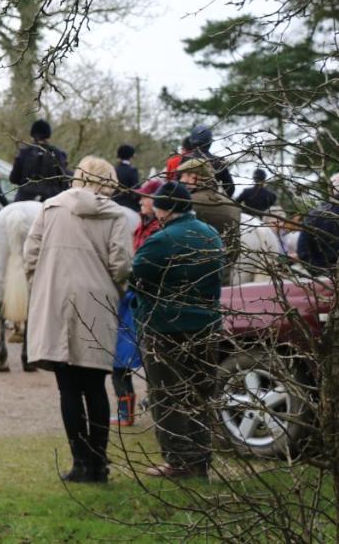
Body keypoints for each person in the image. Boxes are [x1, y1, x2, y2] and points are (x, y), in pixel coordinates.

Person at [24, 155, 137, 484]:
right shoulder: (115, 215)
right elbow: (122, 265)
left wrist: (44, 284)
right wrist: (115, 287)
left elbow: (30, 256)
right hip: (97, 302)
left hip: (56, 299)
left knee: (68, 389)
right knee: (96, 387)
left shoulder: (50, 208)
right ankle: (99, 463)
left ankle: (80, 463)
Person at [130, 181, 224, 479]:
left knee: (166, 394)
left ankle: (177, 460)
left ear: (166, 208)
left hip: (166, 326)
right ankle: (200, 459)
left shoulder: (162, 239)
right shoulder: (211, 235)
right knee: (200, 394)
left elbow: (136, 276)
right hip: (206, 325)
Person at [112, 176, 163, 425]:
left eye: (146, 196)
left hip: (144, 301)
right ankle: (125, 412)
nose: (141, 200)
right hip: (134, 299)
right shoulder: (141, 226)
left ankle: (139, 409)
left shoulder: (157, 231)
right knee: (119, 360)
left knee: (128, 359)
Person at [177, 158, 241, 281]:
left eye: (183, 176)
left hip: (193, 279)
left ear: (194, 177)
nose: (181, 181)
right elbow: (236, 248)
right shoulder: (233, 206)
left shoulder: (188, 203)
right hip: (224, 276)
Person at [296, 171, 339, 273]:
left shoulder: (314, 215)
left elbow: (302, 251)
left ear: (331, 190)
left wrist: (317, 271)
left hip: (322, 278)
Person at [10, 119, 70, 202]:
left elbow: (14, 178)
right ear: (48, 136)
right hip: (47, 201)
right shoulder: (58, 154)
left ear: (32, 135)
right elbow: (64, 183)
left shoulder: (24, 152)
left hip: (23, 198)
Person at [185, 124, 234, 196]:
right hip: (212, 201)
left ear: (191, 142)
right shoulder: (219, 161)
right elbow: (230, 187)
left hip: (187, 202)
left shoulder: (185, 159)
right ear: (210, 143)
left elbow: (177, 185)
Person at [112, 144, 141, 211]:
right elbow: (136, 189)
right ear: (131, 156)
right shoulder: (132, 170)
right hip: (128, 206)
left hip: (114, 203)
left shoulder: (113, 169)